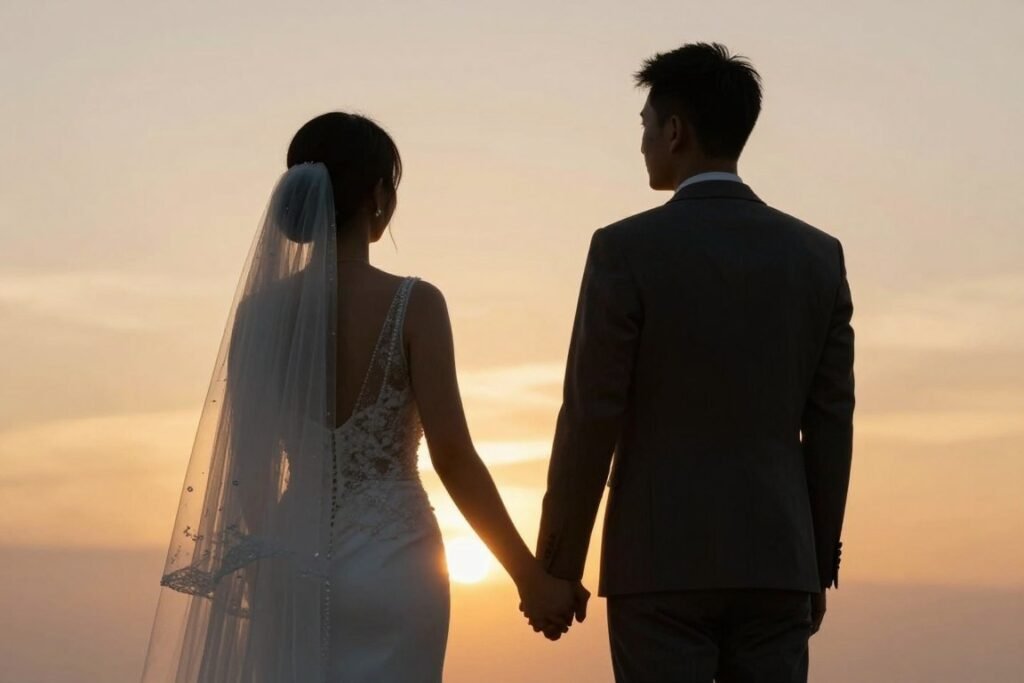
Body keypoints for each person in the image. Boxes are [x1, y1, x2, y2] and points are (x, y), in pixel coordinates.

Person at [140, 112, 576, 683]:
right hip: (396, 566)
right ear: (378, 196)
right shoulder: (415, 304)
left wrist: (278, 570)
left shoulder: (258, 316)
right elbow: (454, 456)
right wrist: (529, 578)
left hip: (290, 561)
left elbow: (248, 466)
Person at [528, 42, 855, 683]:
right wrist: (814, 562)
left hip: (658, 567)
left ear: (675, 131)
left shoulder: (624, 249)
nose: (643, 143)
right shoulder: (819, 256)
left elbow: (591, 415)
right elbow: (832, 423)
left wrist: (558, 566)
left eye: (646, 126)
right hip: (777, 565)